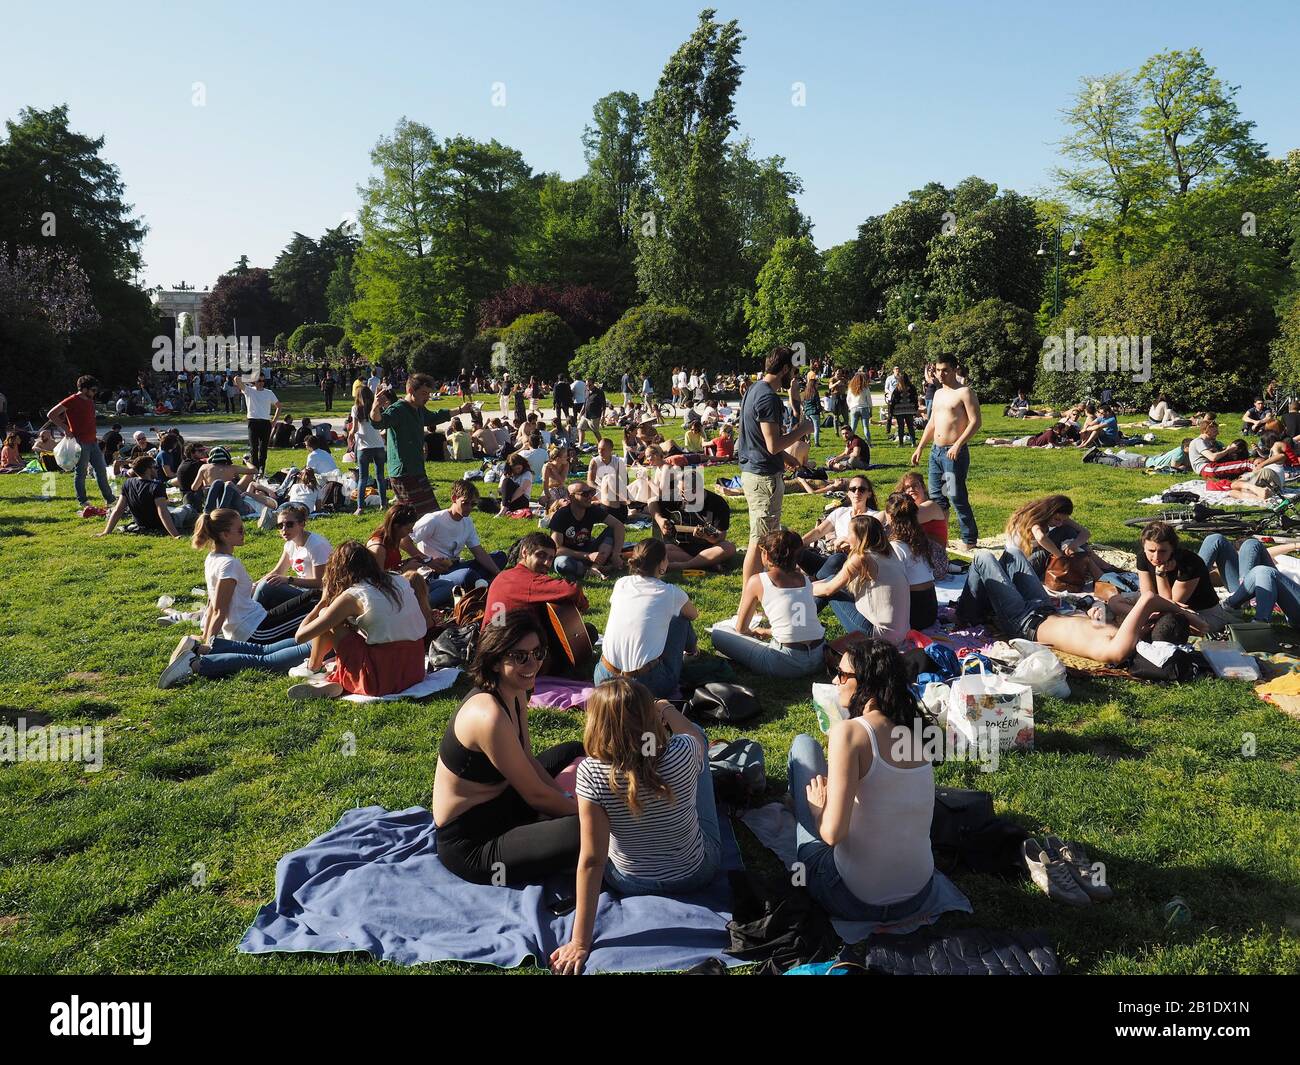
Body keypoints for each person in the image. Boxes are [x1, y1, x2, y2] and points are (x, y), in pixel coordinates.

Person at [550, 678, 720, 975]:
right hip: (696, 872)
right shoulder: (682, 749)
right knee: (700, 742)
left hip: (630, 880)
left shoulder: (590, 772)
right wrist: (666, 708)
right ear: (651, 719)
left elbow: (592, 860)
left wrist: (579, 941)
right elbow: (693, 735)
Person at [787, 640, 948, 921]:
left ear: (867, 683)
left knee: (803, 746)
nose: (836, 680)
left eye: (842, 674)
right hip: (919, 895)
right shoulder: (919, 728)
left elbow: (831, 835)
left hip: (855, 899)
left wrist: (816, 809)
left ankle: (796, 807)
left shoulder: (849, 733)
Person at [432, 610, 585, 885]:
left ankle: (545, 824)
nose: (533, 664)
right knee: (586, 829)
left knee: (573, 749)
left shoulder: (514, 690)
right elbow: (535, 795)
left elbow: (527, 756)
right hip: (472, 842)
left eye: (538, 653)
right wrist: (584, 812)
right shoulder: (487, 715)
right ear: (494, 660)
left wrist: (561, 795)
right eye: (519, 656)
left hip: (505, 803)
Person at [157, 509, 318, 689]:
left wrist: (206, 638)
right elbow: (219, 609)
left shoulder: (213, 558)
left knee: (308, 600)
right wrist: (208, 639)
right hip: (255, 629)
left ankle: (198, 648)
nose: (244, 533)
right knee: (313, 610)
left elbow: (211, 605)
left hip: (252, 621)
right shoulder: (229, 565)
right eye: (240, 530)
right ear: (225, 535)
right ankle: (199, 659)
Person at [288, 541, 432, 699]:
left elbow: (300, 636)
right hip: (414, 669)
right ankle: (331, 677)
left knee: (325, 615)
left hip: (380, 679)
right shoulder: (398, 579)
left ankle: (314, 668)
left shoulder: (354, 595)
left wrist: (322, 603)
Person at [738, 346, 812, 586]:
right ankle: (751, 596)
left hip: (755, 471)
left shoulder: (754, 389)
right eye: (793, 371)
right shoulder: (768, 397)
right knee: (759, 539)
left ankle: (761, 591)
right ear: (785, 369)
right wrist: (801, 430)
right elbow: (772, 444)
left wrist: (787, 458)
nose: (794, 377)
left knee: (763, 536)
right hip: (763, 478)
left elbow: (759, 440)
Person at [710, 528, 825, 677]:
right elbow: (799, 623)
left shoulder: (758, 580)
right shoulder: (805, 580)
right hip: (818, 656)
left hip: (783, 661)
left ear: (767, 555)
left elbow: (741, 629)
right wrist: (767, 631)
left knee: (718, 634)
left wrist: (753, 632)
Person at [592, 540, 699, 695]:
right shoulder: (672, 593)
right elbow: (693, 614)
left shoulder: (621, 583)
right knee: (680, 618)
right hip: (644, 685)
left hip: (604, 677)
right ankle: (692, 652)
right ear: (662, 563)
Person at [370, 373, 471, 516]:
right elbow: (379, 422)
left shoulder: (418, 409)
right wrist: (375, 407)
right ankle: (388, 537)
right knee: (416, 518)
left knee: (428, 515)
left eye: (429, 394)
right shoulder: (398, 409)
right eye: (424, 393)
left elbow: (434, 417)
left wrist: (460, 409)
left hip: (417, 470)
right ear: (410, 391)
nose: (427, 398)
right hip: (403, 473)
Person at [910, 354, 981, 550]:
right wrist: (920, 447)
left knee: (956, 496)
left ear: (954, 369)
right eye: (938, 370)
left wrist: (958, 444)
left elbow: (976, 422)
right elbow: (932, 423)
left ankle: (969, 539)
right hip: (936, 452)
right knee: (936, 499)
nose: (941, 374)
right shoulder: (938, 393)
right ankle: (941, 537)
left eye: (945, 370)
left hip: (953, 453)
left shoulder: (964, 392)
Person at [812, 514, 911, 646]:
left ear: (860, 536)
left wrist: (805, 587)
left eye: (849, 533)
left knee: (830, 588)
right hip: (901, 634)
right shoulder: (890, 553)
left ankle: (794, 626)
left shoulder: (862, 558)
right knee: (830, 580)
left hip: (877, 635)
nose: (847, 537)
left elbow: (829, 589)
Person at [411, 481, 506, 607]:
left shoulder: (467, 521)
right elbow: (404, 541)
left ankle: (478, 582)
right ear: (454, 498)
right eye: (465, 503)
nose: (469, 508)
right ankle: (479, 585)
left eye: (473, 504)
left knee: (500, 556)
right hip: (434, 572)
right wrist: (428, 561)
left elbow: (478, 551)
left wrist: (498, 574)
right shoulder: (434, 520)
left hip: (455, 566)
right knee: (467, 574)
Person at [484, 531, 588, 632]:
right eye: (541, 555)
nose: (547, 563)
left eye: (551, 558)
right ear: (524, 552)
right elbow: (573, 590)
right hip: (509, 646)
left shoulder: (503, 575)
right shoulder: (531, 581)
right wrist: (581, 606)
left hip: (488, 643)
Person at [1005, 495, 1111, 584]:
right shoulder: (1034, 520)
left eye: (1063, 520)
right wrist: (1060, 556)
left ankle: (1100, 566)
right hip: (1025, 567)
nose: (1059, 523)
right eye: (1057, 519)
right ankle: (1100, 571)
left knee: (1068, 530)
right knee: (1063, 533)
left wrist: (1074, 545)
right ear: (1050, 512)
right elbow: (1041, 538)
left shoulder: (1050, 515)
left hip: (1030, 558)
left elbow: (1085, 533)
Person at [47, 374, 115, 510]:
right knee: (81, 473)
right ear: (84, 389)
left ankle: (110, 499)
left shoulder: (90, 401)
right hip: (80, 442)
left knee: (101, 470)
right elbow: (51, 414)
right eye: (93, 390)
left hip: (93, 441)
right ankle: (83, 501)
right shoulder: (71, 400)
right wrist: (66, 429)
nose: (95, 393)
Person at [96, 455, 196, 537]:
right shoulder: (156, 486)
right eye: (155, 467)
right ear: (148, 470)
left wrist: (106, 531)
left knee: (174, 509)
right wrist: (175, 535)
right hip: (159, 524)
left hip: (140, 524)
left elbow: (118, 509)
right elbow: (163, 513)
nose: (157, 470)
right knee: (188, 507)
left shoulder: (128, 483)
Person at [549, 483, 626, 580]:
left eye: (591, 492)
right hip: (569, 555)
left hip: (589, 549)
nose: (590, 497)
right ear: (572, 497)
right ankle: (591, 569)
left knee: (612, 530)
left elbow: (618, 526)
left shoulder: (592, 509)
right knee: (563, 564)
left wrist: (616, 554)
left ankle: (595, 567)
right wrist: (587, 556)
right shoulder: (561, 515)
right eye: (585, 494)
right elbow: (556, 549)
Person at [884, 493, 941, 626]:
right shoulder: (920, 540)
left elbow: (892, 587)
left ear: (890, 516)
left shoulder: (896, 546)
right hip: (931, 609)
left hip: (914, 615)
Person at [234, 372, 281, 475]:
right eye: (259, 380)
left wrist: (274, 421)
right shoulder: (249, 390)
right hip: (253, 422)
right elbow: (237, 379)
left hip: (265, 423)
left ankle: (261, 471)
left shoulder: (269, 392)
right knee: (254, 448)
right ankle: (254, 471)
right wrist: (250, 378)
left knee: (263, 450)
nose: (261, 383)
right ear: (254, 381)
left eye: (263, 381)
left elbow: (279, 406)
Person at [351, 385, 388, 515]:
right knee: (380, 477)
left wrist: (350, 437)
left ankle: (360, 508)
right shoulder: (376, 407)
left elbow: (354, 429)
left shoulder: (356, 409)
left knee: (363, 478)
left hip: (363, 447)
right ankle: (383, 504)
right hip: (378, 445)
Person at [366, 503, 424, 573]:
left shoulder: (393, 539)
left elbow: (389, 566)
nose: (411, 531)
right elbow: (378, 579)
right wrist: (405, 569)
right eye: (408, 529)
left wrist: (407, 562)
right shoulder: (378, 548)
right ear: (396, 527)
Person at [586, 436, 629, 521]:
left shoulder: (618, 461)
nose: (600, 452)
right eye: (599, 449)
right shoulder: (595, 461)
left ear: (611, 450)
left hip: (616, 491)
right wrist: (601, 488)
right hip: (599, 491)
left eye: (603, 449)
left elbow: (625, 481)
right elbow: (590, 481)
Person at [887, 370, 920, 446]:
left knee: (900, 427)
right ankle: (913, 442)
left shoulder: (897, 389)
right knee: (910, 426)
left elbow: (893, 400)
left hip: (899, 411)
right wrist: (915, 408)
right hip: (910, 410)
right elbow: (915, 398)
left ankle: (901, 443)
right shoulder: (912, 387)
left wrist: (891, 411)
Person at [578, 381, 606, 445]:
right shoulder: (587, 391)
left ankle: (601, 445)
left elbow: (603, 405)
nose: (588, 387)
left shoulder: (599, 392)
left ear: (593, 384)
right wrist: (581, 413)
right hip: (585, 415)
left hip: (594, 416)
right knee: (580, 428)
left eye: (589, 385)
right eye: (587, 385)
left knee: (595, 431)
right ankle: (580, 445)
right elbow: (585, 403)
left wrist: (603, 416)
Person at [846, 372, 872, 441]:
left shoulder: (851, 388)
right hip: (864, 408)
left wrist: (850, 407)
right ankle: (869, 442)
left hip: (854, 408)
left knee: (852, 428)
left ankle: (850, 442)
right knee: (865, 427)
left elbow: (848, 399)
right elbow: (869, 400)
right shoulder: (866, 388)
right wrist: (870, 410)